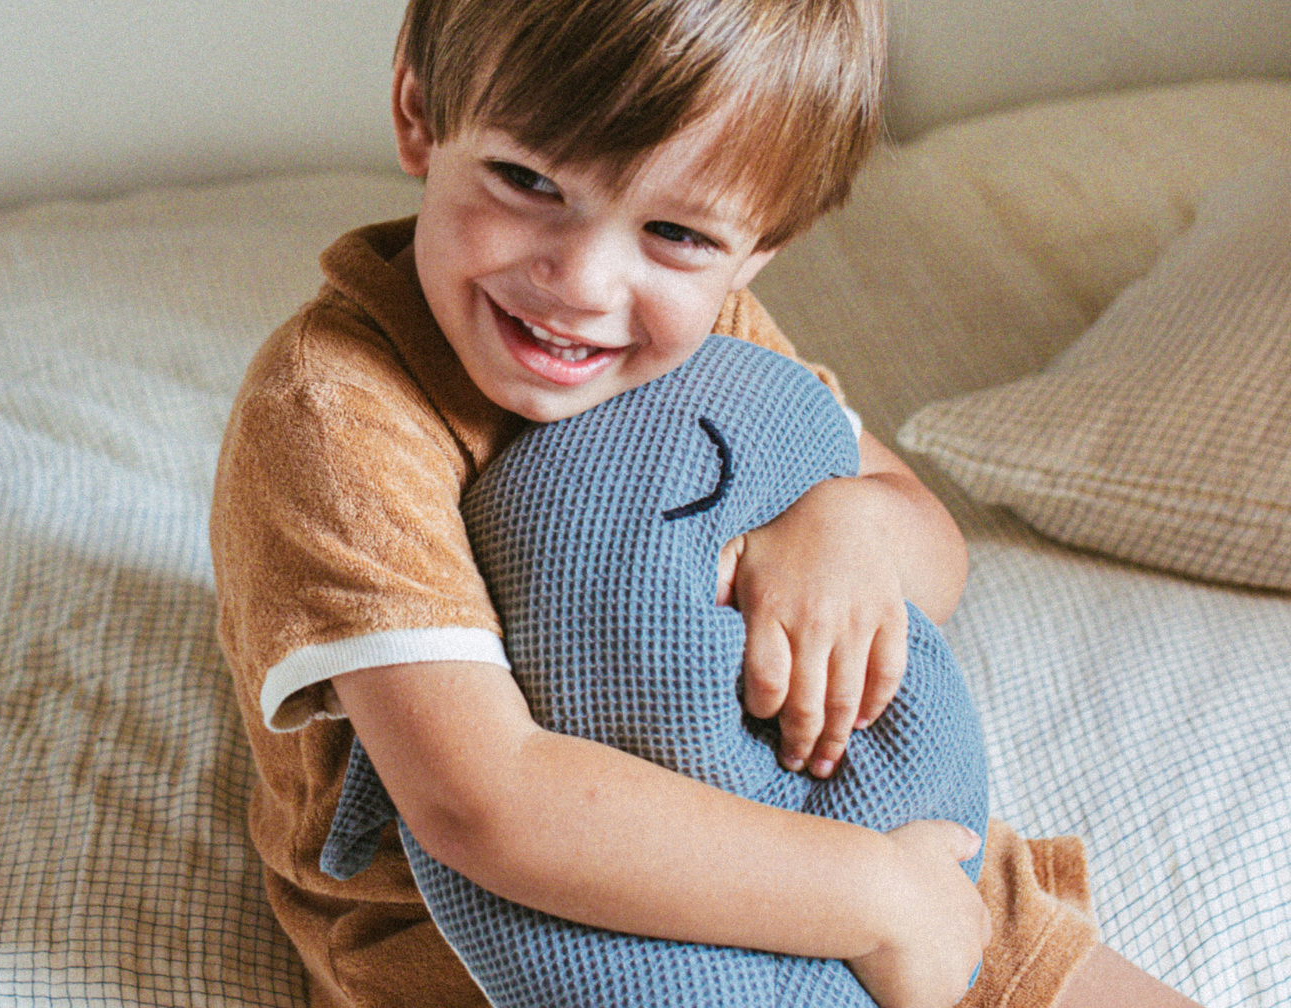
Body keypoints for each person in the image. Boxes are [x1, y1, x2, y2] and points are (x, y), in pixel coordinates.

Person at [209, 1, 1203, 1006]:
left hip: (791, 808)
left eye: (676, 233)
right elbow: (481, 805)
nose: (585, 281)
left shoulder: (719, 329)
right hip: (490, 912)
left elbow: (935, 556)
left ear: (760, 245)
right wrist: (874, 899)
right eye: (528, 181)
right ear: (419, 112)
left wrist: (842, 527)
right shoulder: (334, 411)